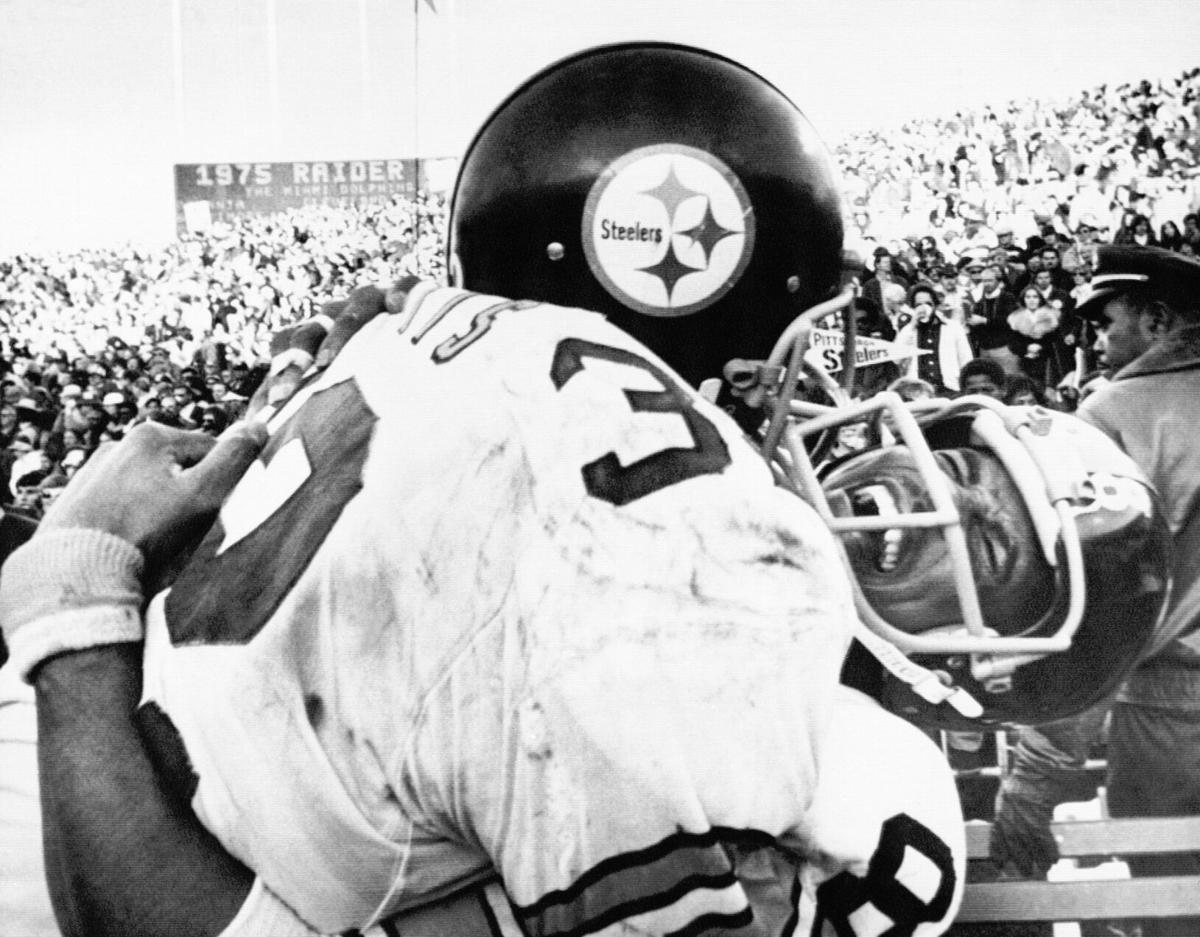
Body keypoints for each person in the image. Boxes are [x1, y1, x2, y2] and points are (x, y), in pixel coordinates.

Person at [0, 44, 967, 937]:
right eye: (785, 346)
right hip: (72, 833)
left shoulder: (408, 340)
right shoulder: (659, 571)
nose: (798, 385)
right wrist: (67, 595)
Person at [992, 246, 1200, 937]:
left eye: (1105, 323)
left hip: (1170, 715)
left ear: (1157, 319)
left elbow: (1102, 608)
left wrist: (1037, 774)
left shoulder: (1114, 413)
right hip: (1166, 704)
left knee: (1173, 907)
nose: (1094, 342)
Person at [895, 281, 975, 396]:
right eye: (918, 305)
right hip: (919, 392)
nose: (923, 308)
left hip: (949, 388)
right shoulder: (909, 330)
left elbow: (966, 360)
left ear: (935, 305)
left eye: (928, 304)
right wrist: (912, 325)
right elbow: (897, 359)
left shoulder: (953, 327)